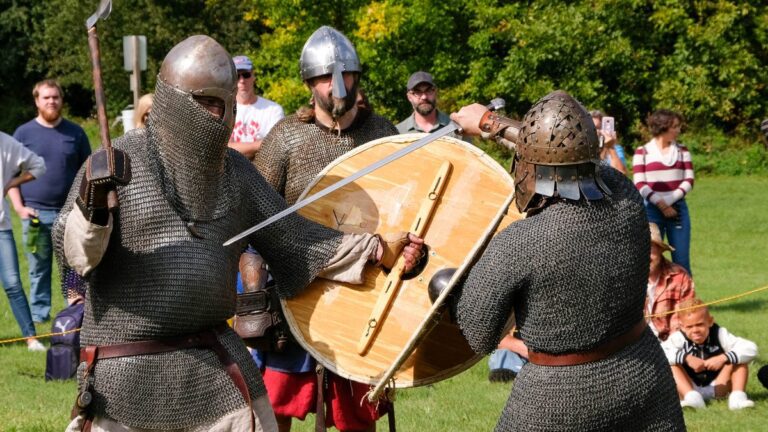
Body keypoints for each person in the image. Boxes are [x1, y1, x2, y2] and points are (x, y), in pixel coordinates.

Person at [52, 35, 423, 432]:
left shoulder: (236, 175)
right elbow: (77, 257)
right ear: (173, 100)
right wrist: (93, 205)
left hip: (216, 366)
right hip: (126, 372)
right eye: (206, 102)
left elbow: (299, 241)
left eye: (224, 104)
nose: (217, 115)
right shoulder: (117, 165)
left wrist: (379, 249)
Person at [449, 91, 685, 431]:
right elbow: (567, 154)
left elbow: (479, 334)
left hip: (556, 396)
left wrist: (453, 291)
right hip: (643, 374)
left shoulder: (521, 243)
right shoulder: (626, 197)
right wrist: (490, 123)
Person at [253, 27, 400, 432]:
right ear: (308, 83)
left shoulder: (382, 134)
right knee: (279, 404)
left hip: (364, 284)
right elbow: (259, 212)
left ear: (357, 78)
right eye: (324, 77)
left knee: (360, 410)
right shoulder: (286, 137)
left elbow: (407, 201)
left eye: (345, 75)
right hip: (297, 281)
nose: (336, 85)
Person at [9, 79, 91, 323]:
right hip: (36, 215)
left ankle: (76, 311)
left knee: (74, 265)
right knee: (38, 268)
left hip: (71, 214)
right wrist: (19, 207)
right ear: (37, 101)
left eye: (55, 97)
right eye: (46, 97)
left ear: (61, 100)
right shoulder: (23, 134)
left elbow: (88, 171)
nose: (52, 101)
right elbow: (10, 175)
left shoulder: (75, 132)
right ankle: (40, 316)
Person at [662, 298, 758, 410]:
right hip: (690, 388)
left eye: (700, 324)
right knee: (671, 365)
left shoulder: (720, 333)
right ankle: (693, 400)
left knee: (739, 360)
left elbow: (751, 348)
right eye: (689, 327)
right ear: (682, 326)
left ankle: (737, 399)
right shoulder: (678, 338)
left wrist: (723, 357)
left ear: (710, 321)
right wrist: (686, 358)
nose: (695, 330)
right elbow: (659, 352)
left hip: (718, 386)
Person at [0, 131, 47, 351]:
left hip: (1, 228)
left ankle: (31, 338)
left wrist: (11, 183)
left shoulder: (5, 143)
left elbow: (38, 165)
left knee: (12, 283)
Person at [632, 109, 694, 275]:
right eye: (675, 127)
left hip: (678, 210)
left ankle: (687, 300)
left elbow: (689, 180)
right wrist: (661, 204)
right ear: (663, 127)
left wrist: (670, 200)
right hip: (651, 211)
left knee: (681, 260)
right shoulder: (642, 152)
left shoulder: (683, 151)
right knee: (650, 260)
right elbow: (639, 183)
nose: (678, 130)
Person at [228, 55, 285, 160]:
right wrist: (258, 145)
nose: (242, 81)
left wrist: (234, 148)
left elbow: (275, 148)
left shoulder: (273, 110)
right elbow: (222, 148)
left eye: (246, 75)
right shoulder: (224, 108)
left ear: (253, 76)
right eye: (237, 76)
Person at [646, 223, 695, 341]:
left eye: (650, 250)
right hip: (636, 346)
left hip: (671, 343)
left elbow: (688, 316)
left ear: (660, 250)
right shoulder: (626, 277)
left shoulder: (679, 276)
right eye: (641, 249)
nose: (646, 255)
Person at [396, 71, 468, 141]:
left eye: (428, 90)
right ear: (409, 97)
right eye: (417, 92)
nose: (424, 97)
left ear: (435, 92)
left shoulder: (456, 129)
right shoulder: (398, 133)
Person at [590, 110, 626, 174]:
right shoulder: (583, 149)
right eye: (592, 128)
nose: (595, 132)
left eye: (598, 128)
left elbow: (622, 175)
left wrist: (611, 147)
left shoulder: (616, 149)